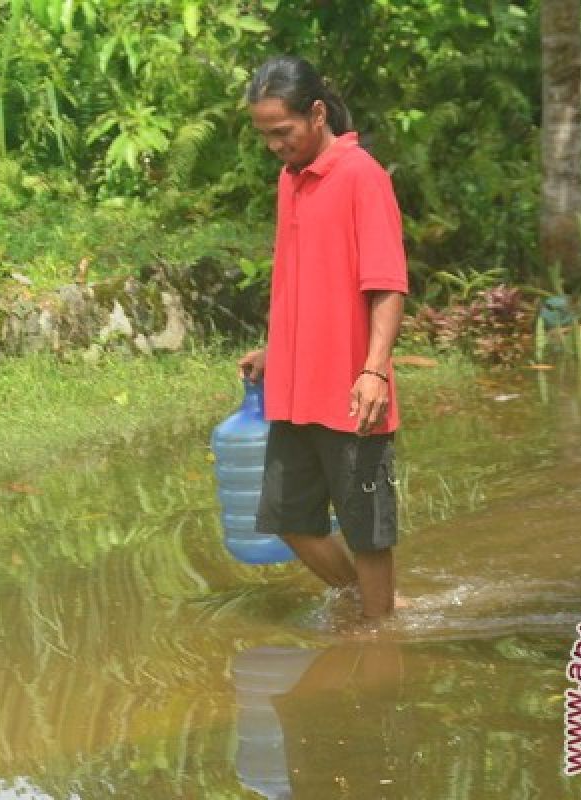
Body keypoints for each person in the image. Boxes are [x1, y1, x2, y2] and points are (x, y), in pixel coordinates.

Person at [237, 55, 408, 622]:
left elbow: (386, 285)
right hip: (295, 386)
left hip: (352, 389)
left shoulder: (363, 176)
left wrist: (373, 370)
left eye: (281, 133)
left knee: (368, 533)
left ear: (315, 114)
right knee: (289, 518)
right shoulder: (291, 181)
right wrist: (274, 347)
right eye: (265, 136)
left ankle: (381, 632)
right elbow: (299, 280)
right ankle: (368, 605)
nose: (274, 147)